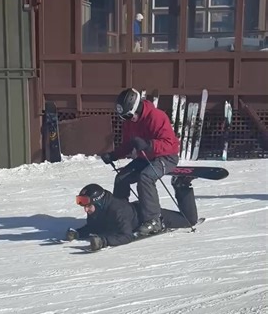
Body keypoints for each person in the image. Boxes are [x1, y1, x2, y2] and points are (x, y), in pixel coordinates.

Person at [101, 88, 180, 236]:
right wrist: (113, 155)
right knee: (121, 178)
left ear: (137, 107)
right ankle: (120, 214)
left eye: (129, 115)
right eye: (124, 117)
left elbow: (170, 144)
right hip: (146, 157)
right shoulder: (130, 121)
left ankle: (153, 220)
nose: (127, 119)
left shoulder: (157, 116)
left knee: (145, 177)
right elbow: (128, 145)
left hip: (166, 157)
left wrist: (149, 145)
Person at [66, 178, 198, 251]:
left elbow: (126, 236)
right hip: (135, 209)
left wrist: (104, 242)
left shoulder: (117, 211)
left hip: (150, 216)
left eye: (88, 206)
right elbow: (94, 227)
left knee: (189, 220)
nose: (86, 210)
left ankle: (182, 185)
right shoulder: (96, 209)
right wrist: (78, 233)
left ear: (98, 202)